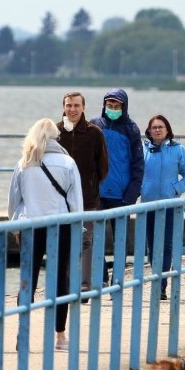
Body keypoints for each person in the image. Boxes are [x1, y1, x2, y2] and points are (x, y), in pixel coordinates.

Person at [8, 118, 84, 351]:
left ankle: (23, 333)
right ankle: (60, 336)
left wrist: (15, 224)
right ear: (55, 137)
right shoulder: (67, 162)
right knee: (60, 278)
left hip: (31, 226)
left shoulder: (24, 163)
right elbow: (76, 201)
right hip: (61, 226)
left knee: (27, 280)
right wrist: (77, 226)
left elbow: (14, 201)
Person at [56, 92, 109, 298]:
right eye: (69, 105)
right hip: (60, 199)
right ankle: (66, 286)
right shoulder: (56, 131)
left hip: (87, 197)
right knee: (64, 241)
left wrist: (91, 184)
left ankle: (85, 284)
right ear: (63, 107)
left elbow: (103, 166)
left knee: (86, 241)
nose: (72, 109)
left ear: (84, 107)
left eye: (77, 105)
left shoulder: (94, 133)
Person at [90, 88, 144, 282]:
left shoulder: (131, 129)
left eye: (116, 106)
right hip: (97, 193)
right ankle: (101, 277)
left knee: (120, 241)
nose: (112, 108)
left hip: (121, 196)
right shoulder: (95, 125)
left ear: (124, 106)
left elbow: (138, 165)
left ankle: (118, 279)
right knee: (94, 239)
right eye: (109, 105)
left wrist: (131, 195)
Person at [141, 114, 185, 300]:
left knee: (165, 247)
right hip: (148, 206)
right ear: (148, 131)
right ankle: (156, 279)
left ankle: (161, 286)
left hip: (169, 205)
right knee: (151, 246)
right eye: (154, 127)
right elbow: (135, 172)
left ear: (167, 130)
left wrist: (175, 190)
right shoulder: (142, 150)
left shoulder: (178, 150)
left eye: (161, 127)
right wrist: (140, 189)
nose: (157, 130)